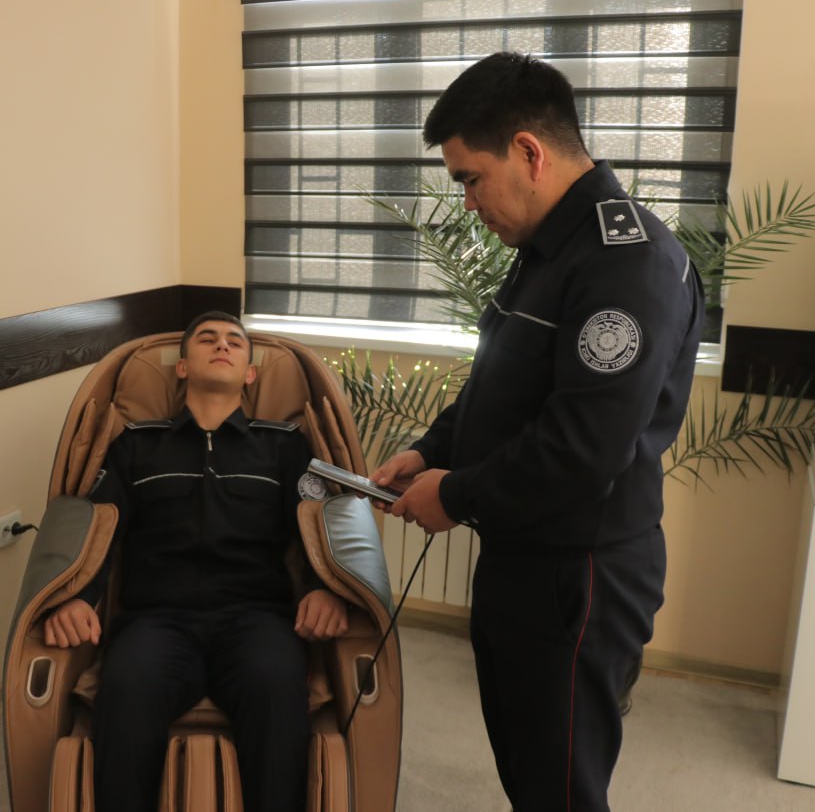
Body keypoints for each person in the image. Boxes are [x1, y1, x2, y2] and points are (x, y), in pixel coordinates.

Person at [371, 52, 704, 811]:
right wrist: (430, 451)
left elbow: (583, 446)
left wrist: (455, 494)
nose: (466, 203)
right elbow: (500, 384)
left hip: (577, 574)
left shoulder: (626, 263)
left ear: (528, 151)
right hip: (523, 555)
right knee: (531, 772)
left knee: (561, 786)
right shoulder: (548, 248)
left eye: (469, 179)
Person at [42, 312, 350, 812]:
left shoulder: (283, 445)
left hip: (256, 618)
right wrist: (76, 597)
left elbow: (318, 523)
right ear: (182, 367)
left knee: (277, 690)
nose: (221, 345)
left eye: (234, 342)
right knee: (126, 689)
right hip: (156, 620)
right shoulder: (136, 444)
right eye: (207, 339)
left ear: (250, 374)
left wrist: (323, 587)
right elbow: (97, 528)